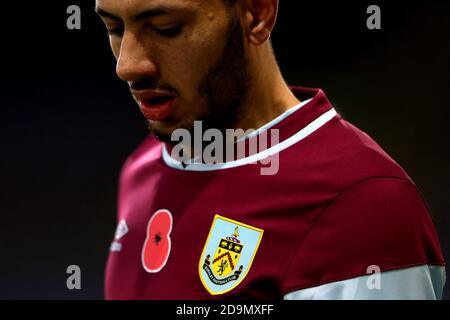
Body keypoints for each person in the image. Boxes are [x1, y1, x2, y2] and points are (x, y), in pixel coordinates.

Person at [96, 0, 446, 299]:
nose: (127, 65)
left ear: (257, 14)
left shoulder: (363, 203)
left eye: (165, 28)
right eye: (114, 29)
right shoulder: (143, 167)